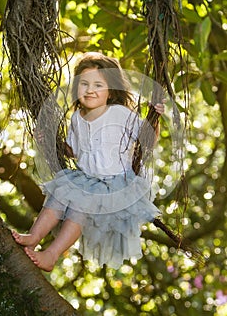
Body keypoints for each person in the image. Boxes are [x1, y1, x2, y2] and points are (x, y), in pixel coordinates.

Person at [12, 52, 165, 272]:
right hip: (85, 179)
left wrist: (154, 117)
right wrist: (50, 141)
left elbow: (147, 139)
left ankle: (51, 255)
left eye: (98, 84)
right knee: (58, 195)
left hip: (113, 183)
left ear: (111, 90)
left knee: (79, 209)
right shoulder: (77, 118)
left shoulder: (120, 113)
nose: (90, 89)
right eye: (84, 84)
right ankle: (33, 237)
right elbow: (73, 151)